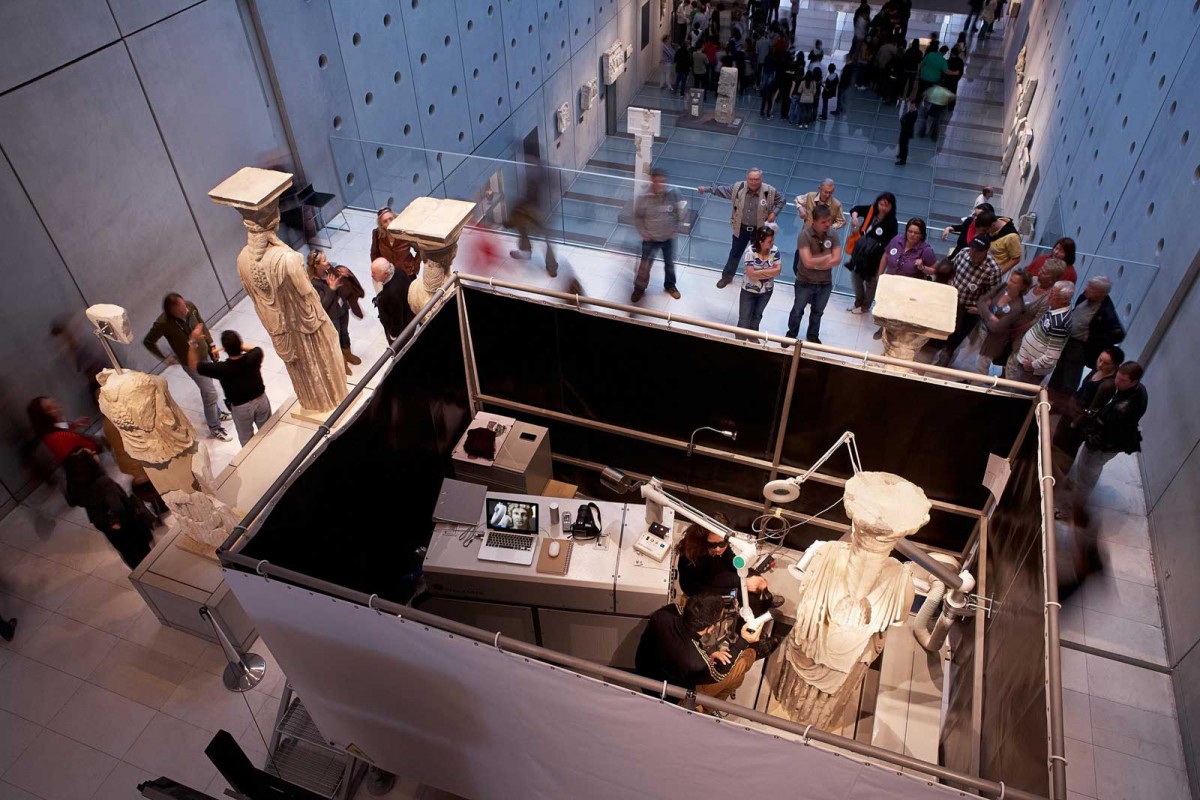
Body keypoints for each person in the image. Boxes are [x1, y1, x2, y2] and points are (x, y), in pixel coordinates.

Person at [634, 594, 765, 701]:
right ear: (710, 628)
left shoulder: (667, 612)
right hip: (668, 697)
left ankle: (707, 707)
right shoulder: (696, 663)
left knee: (735, 676)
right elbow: (719, 674)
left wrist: (705, 655)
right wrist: (743, 641)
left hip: (646, 673)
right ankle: (757, 650)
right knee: (740, 666)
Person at [143, 293, 233, 441]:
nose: (184, 311)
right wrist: (165, 358)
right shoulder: (163, 324)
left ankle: (215, 413)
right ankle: (215, 427)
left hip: (205, 354)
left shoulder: (190, 306)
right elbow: (148, 341)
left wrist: (211, 345)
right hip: (191, 363)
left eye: (184, 306)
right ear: (171, 310)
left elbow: (201, 324)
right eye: (180, 310)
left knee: (208, 388)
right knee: (210, 392)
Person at [1065, 361, 1147, 505]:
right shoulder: (1137, 390)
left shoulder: (1125, 408)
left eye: (1123, 380)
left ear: (1134, 382)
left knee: (1088, 472)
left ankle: (1074, 507)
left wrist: (1090, 440)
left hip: (1104, 445)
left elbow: (1110, 433)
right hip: (1109, 439)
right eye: (1118, 377)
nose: (1117, 381)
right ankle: (1076, 487)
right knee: (1085, 470)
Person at [63, 448, 154, 569]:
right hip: (127, 526)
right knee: (144, 553)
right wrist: (117, 521)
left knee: (130, 555)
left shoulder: (75, 486)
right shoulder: (104, 483)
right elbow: (118, 508)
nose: (94, 453)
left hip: (105, 526)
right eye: (91, 454)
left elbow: (74, 501)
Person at [698, 169, 785, 288]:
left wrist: (774, 213)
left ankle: (757, 278)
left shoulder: (769, 191)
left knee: (759, 255)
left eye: (757, 179)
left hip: (759, 231)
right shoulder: (738, 188)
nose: (754, 182)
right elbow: (720, 190)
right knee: (735, 253)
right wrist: (706, 189)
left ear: (761, 179)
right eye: (751, 179)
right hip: (741, 228)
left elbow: (782, 200)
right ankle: (727, 277)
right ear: (746, 178)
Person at [675, 522, 780, 615]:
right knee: (747, 597)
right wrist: (743, 582)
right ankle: (747, 627)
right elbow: (713, 579)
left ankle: (766, 601)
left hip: (716, 573)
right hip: (700, 586)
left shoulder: (721, 539)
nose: (718, 549)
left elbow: (731, 560)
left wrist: (748, 574)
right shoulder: (693, 554)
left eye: (722, 544)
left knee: (754, 575)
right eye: (712, 545)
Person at [1052, 345, 1124, 481]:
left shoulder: (1108, 385)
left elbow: (1092, 409)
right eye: (1100, 359)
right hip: (1071, 411)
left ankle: (1058, 475)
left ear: (1116, 365)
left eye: (1106, 363)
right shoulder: (1096, 371)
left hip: (1079, 420)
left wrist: (1075, 423)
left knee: (1068, 448)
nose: (1100, 364)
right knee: (1058, 441)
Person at [190, 330, 270, 448]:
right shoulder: (254, 357)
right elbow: (256, 349)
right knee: (267, 432)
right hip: (261, 400)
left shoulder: (221, 369)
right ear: (239, 344)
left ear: (226, 349)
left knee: (246, 440)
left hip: (240, 408)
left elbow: (193, 365)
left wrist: (192, 342)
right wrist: (236, 345)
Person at [1048, 276, 1126, 396]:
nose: (1086, 289)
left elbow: (1118, 334)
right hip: (1068, 339)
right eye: (1088, 286)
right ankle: (1048, 395)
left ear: (1101, 293)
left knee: (1070, 379)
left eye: (1092, 288)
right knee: (1058, 370)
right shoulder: (1085, 296)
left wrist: (1095, 340)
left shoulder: (1106, 311)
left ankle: (1061, 403)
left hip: (1080, 346)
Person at [934, 236, 1001, 366]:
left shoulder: (992, 270)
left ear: (985, 252)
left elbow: (993, 296)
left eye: (978, 251)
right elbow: (951, 268)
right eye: (972, 248)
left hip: (969, 309)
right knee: (942, 328)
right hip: (952, 301)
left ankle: (945, 357)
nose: (973, 253)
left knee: (956, 336)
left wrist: (980, 310)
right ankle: (936, 348)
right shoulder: (963, 253)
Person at [787, 204, 842, 344]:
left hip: (825, 283)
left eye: (829, 221)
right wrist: (826, 257)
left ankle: (812, 336)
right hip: (805, 281)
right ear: (814, 221)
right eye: (823, 222)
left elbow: (837, 259)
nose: (827, 224)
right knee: (798, 310)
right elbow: (807, 262)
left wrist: (816, 262)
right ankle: (791, 334)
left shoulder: (833, 234)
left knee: (818, 312)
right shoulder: (804, 235)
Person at [1006, 281, 1075, 384]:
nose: (1049, 296)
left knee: (1017, 394)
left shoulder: (1060, 323)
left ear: (1064, 300)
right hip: (1025, 361)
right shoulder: (1055, 308)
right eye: (1051, 292)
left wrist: (1032, 365)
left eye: (1053, 294)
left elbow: (1051, 357)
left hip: (1030, 370)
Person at [632, 169, 684, 303]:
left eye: (663, 181)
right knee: (644, 266)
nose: (660, 184)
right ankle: (639, 288)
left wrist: (674, 229)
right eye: (657, 181)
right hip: (650, 239)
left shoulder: (673, 194)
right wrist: (643, 233)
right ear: (652, 181)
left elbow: (680, 212)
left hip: (668, 238)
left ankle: (670, 286)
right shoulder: (643, 197)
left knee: (669, 264)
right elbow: (637, 217)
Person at [308, 250, 360, 374]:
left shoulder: (329, 269)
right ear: (316, 265)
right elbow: (322, 305)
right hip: (332, 315)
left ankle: (348, 354)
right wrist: (331, 289)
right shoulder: (314, 283)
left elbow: (341, 283)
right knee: (336, 338)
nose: (327, 262)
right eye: (324, 260)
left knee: (345, 333)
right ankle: (341, 363)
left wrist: (344, 274)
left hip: (342, 309)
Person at [506, 152, 558, 276]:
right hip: (540, 208)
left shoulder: (535, 171)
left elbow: (533, 191)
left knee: (525, 224)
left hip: (537, 208)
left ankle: (529, 253)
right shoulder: (542, 169)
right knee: (538, 233)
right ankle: (550, 266)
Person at [846, 192, 899, 313]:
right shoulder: (871, 210)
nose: (883, 208)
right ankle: (858, 302)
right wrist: (855, 218)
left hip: (875, 256)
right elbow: (855, 209)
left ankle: (865, 306)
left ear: (892, 207)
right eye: (881, 204)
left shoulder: (892, 222)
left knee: (871, 282)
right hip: (861, 252)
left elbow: (891, 242)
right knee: (856, 276)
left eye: (887, 205)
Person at [973, 269, 1031, 373]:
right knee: (967, 358)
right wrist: (990, 316)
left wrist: (984, 310)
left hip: (993, 341)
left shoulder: (1017, 307)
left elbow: (996, 328)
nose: (1009, 283)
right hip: (979, 330)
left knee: (981, 367)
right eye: (1010, 280)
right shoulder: (1003, 286)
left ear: (1022, 286)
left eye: (1014, 282)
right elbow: (981, 301)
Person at [27, 396, 100, 463]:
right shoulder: (56, 438)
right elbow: (75, 458)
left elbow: (65, 432)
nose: (56, 405)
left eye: (52, 402)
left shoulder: (56, 429)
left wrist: (73, 425)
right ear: (45, 417)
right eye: (49, 408)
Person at [736, 226, 781, 333]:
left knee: (757, 315)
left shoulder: (775, 250)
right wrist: (769, 271)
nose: (772, 243)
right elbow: (750, 274)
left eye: (772, 240)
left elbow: (778, 271)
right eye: (769, 241)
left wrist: (758, 272)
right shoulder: (750, 252)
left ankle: (753, 335)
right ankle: (740, 339)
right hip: (748, 291)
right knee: (744, 318)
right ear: (761, 241)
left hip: (766, 291)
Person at [371, 258, 415, 343]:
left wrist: (393, 336)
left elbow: (397, 319)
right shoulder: (398, 271)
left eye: (374, 273)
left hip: (403, 329)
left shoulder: (391, 294)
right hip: (410, 316)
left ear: (385, 274)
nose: (371, 275)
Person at [370, 207, 421, 279]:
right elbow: (374, 254)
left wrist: (415, 266)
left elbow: (420, 249)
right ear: (381, 225)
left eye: (391, 219)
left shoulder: (405, 232)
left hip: (407, 272)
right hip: (388, 275)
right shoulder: (377, 234)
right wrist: (378, 270)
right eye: (385, 221)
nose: (389, 223)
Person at [896, 98, 918, 165]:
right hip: (904, 130)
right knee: (901, 143)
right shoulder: (911, 111)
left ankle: (903, 160)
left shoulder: (914, 114)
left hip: (907, 132)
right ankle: (900, 154)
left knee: (904, 146)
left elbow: (909, 122)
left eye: (912, 106)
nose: (911, 106)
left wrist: (903, 121)